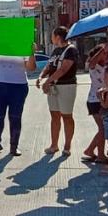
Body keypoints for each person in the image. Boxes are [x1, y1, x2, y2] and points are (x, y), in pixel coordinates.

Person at [0, 45, 37, 156]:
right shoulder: (0, 45)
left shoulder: (23, 44)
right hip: (0, 85)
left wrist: (32, 52)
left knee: (15, 117)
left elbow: (31, 67)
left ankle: (14, 146)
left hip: (18, 86)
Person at [37, 26, 78, 156]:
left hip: (66, 86)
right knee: (54, 115)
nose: (51, 38)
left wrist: (48, 82)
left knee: (66, 115)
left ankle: (67, 146)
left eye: (53, 35)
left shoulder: (71, 50)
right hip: (53, 86)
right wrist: (41, 76)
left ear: (58, 37)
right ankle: (54, 145)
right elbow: (49, 66)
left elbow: (63, 69)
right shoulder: (55, 51)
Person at [82, 44, 108, 163]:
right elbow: (92, 62)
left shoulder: (107, 66)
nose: (106, 55)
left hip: (103, 100)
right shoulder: (94, 66)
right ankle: (92, 151)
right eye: (104, 54)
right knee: (103, 129)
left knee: (102, 129)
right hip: (95, 100)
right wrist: (102, 50)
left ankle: (98, 153)